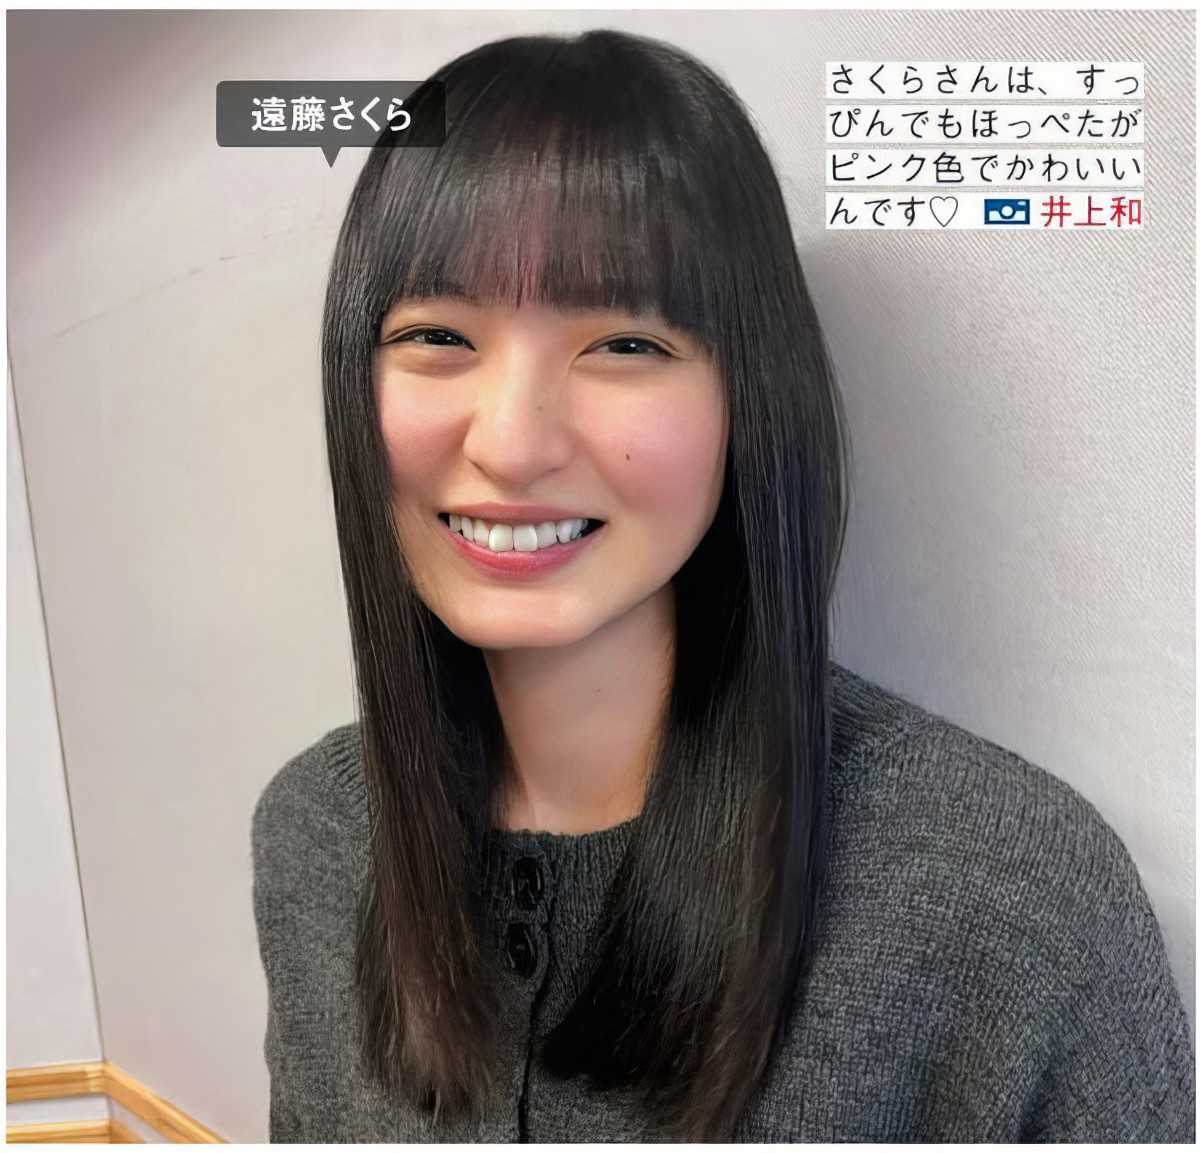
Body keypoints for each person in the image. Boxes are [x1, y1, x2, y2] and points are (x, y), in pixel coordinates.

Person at [251, 28, 1195, 1143]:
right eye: (438, 334)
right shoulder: (316, 835)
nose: (509, 443)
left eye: (625, 344)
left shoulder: (1007, 899)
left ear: (747, 393)